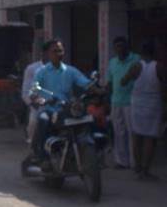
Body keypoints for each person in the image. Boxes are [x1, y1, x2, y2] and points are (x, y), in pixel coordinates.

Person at [30, 38, 98, 166]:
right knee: (43, 120)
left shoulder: (71, 71)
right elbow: (33, 93)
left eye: (60, 51)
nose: (58, 54)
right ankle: (42, 156)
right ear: (48, 54)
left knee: (90, 119)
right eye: (54, 51)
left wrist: (99, 91)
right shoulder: (41, 72)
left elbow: (86, 84)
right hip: (49, 110)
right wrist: (43, 100)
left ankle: (95, 151)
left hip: (67, 110)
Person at [121, 40, 165, 181]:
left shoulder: (135, 66)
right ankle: (145, 170)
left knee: (136, 136)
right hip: (154, 105)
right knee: (150, 138)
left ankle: (138, 167)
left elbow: (123, 81)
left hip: (137, 104)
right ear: (154, 52)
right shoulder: (159, 67)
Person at [106, 37, 140, 169]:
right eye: (117, 47)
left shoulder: (136, 59)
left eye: (121, 46)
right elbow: (110, 81)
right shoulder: (113, 62)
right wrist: (106, 99)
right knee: (119, 132)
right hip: (116, 101)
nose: (119, 49)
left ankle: (134, 162)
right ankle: (121, 161)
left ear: (127, 47)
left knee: (132, 132)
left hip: (131, 102)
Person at [21, 46, 46, 144]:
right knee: (33, 122)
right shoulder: (32, 69)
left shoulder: (64, 69)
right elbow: (26, 91)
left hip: (56, 104)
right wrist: (33, 104)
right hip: (38, 105)